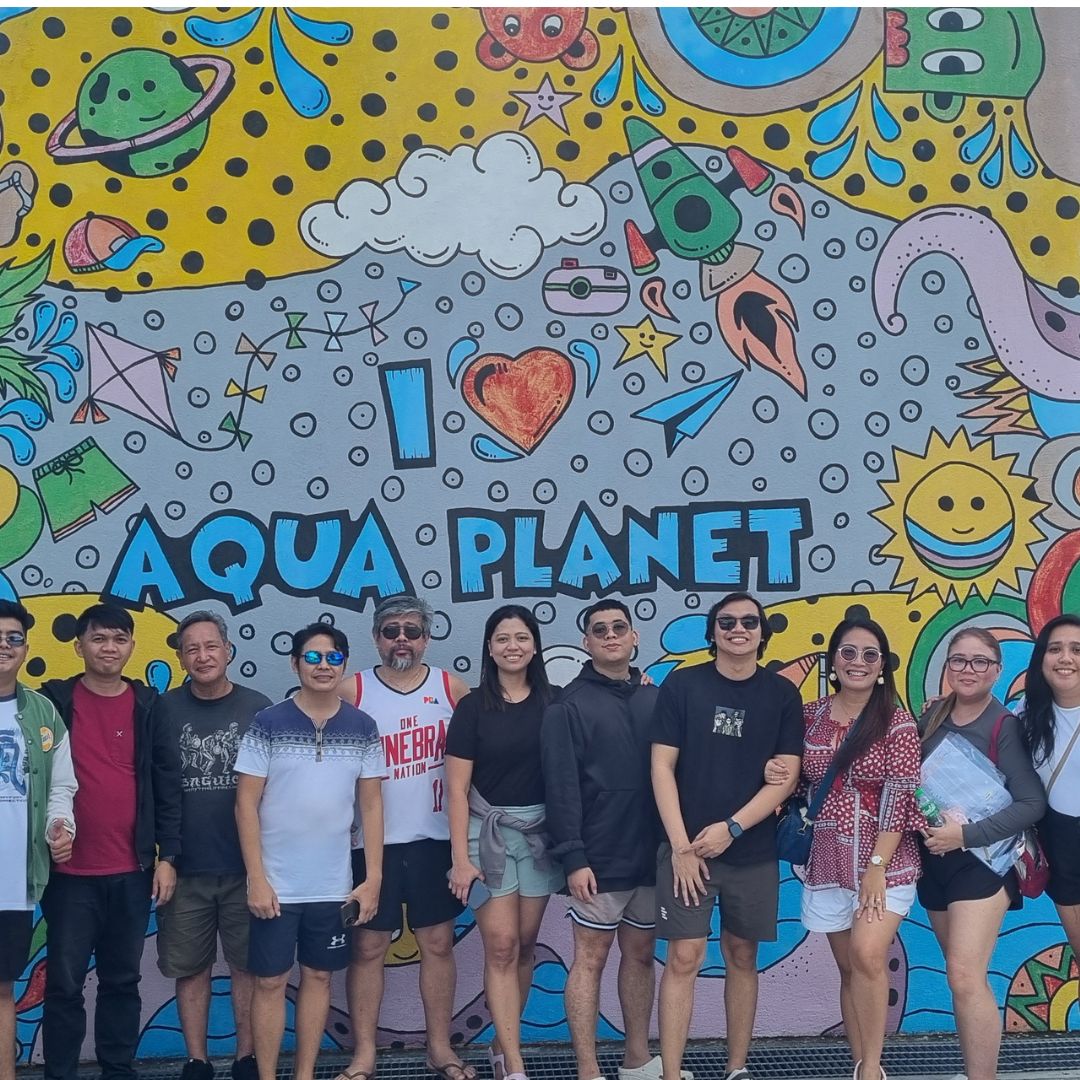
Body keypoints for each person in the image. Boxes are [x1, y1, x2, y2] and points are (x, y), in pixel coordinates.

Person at [651, 591, 802, 1080]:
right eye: (727, 621)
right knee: (684, 957)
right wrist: (681, 848)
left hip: (752, 852)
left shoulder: (782, 694)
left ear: (763, 633)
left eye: (749, 622)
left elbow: (787, 777)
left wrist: (732, 828)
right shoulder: (683, 685)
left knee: (742, 954)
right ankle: (672, 1073)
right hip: (686, 851)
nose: (739, 629)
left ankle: (737, 1068)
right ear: (713, 632)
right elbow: (661, 766)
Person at [765, 618, 924, 1080]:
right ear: (833, 660)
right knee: (849, 967)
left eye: (870, 655)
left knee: (868, 955)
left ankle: (872, 1069)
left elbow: (900, 797)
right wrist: (774, 770)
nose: (858, 662)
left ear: (882, 666)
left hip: (885, 863)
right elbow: (796, 776)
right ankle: (859, 1062)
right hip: (828, 860)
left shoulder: (896, 722)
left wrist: (876, 866)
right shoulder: (809, 715)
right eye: (848, 652)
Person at [234, 622, 384, 1080]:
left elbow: (372, 805)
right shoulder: (268, 723)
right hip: (276, 885)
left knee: (319, 977)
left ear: (345, 663)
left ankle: (304, 1075)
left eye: (333, 657)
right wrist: (256, 878)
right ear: (295, 663)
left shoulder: (363, 727)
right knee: (270, 981)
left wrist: (373, 879)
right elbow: (245, 803)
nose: (323, 666)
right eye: (313, 657)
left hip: (333, 886)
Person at [40, 603, 181, 1080]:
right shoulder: (53, 702)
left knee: (122, 981)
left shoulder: (149, 705)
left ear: (132, 647)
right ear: (78, 646)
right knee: (64, 984)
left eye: (119, 639)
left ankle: (117, 1070)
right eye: (99, 638)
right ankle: (60, 1073)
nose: (109, 647)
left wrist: (168, 856)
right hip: (68, 874)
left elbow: (167, 784)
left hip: (131, 871)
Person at [336, 596, 475, 1080]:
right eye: (391, 630)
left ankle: (439, 1048)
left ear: (426, 639)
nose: (401, 639)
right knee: (368, 948)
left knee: (437, 943)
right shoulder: (352, 690)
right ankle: (364, 1054)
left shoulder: (450, 688)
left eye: (411, 631)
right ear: (376, 638)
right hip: (368, 843)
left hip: (434, 838)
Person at [542, 600, 669, 1080]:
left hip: (652, 855)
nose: (611, 635)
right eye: (600, 630)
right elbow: (560, 788)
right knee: (590, 959)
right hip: (597, 858)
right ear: (586, 643)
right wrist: (573, 857)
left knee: (641, 955)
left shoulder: (657, 698)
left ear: (634, 637)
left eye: (619, 627)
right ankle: (588, 1068)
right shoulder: (567, 706)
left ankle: (636, 1059)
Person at [918, 628, 1045, 1080]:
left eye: (979, 662)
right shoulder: (931, 717)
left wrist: (966, 835)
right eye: (958, 660)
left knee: (964, 975)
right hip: (934, 863)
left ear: (997, 670)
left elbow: (1031, 803)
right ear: (947, 666)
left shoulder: (1003, 727)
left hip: (983, 864)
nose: (967, 669)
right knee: (961, 978)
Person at [446, 605, 561, 1080]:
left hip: (538, 836)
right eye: (502, 638)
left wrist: (639, 684)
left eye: (521, 637)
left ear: (534, 646)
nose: (512, 646)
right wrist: (459, 859)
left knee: (526, 944)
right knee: (501, 945)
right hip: (485, 832)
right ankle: (513, 1062)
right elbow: (456, 789)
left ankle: (500, 1042)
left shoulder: (557, 702)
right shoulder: (473, 707)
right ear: (489, 648)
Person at [155, 611, 272, 1080]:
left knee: (248, 968)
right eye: (192, 649)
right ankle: (196, 1061)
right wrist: (164, 856)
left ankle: (246, 1059)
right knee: (190, 968)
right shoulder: (163, 710)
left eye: (210, 646)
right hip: (184, 868)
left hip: (248, 868)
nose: (202, 656)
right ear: (181, 658)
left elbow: (276, 789)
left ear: (228, 651)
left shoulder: (258, 707)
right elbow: (153, 787)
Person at [0, 599, 76, 1080]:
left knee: (2, 989)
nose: (4, 646)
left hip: (14, 884)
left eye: (13, 638)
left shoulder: (43, 712)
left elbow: (61, 786)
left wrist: (59, 826)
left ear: (25, 647)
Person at [1017, 615, 1080, 966]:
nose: (1065, 658)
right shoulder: (1027, 715)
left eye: (1077, 649)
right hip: (1062, 849)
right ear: (1041, 659)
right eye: (1055, 649)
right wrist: (943, 709)